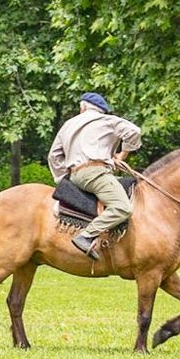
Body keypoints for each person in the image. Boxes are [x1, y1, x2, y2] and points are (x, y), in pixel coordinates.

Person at [48, 91, 143, 259]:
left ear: (83, 107)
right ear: (101, 110)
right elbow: (134, 131)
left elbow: (54, 156)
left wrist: (63, 179)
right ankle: (86, 236)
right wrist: (122, 154)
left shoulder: (68, 124)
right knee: (123, 207)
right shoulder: (107, 121)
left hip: (76, 175)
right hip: (96, 173)